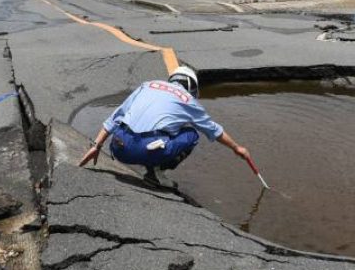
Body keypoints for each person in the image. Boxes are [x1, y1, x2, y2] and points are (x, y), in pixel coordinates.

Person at [78, 66, 252, 188]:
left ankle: (151, 164)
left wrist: (96, 146)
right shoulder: (188, 100)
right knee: (192, 134)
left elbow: (116, 116)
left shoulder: (147, 85)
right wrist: (237, 148)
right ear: (191, 86)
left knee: (159, 128)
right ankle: (156, 173)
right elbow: (214, 130)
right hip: (143, 149)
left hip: (118, 146)